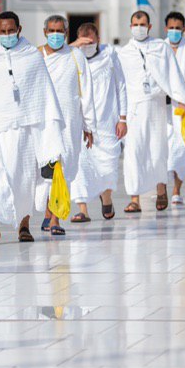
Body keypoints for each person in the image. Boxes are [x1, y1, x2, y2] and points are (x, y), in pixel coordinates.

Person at [0, 11, 65, 244]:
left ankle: (24, 226)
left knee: (23, 177)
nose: (8, 35)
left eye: (11, 31)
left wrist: (48, 129)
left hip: (25, 128)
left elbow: (43, 92)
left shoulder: (32, 55)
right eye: (3, 31)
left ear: (19, 30)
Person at [116, 10, 185, 212]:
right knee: (134, 153)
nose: (139, 28)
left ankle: (161, 190)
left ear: (150, 27)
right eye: (135, 24)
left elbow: (173, 75)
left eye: (142, 24)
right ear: (130, 26)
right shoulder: (124, 53)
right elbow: (121, 86)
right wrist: (121, 117)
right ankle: (135, 199)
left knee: (158, 150)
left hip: (157, 106)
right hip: (134, 109)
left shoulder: (161, 47)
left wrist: (182, 99)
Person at [35, 15, 93, 236]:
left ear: (67, 33)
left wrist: (89, 126)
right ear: (45, 32)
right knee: (46, 169)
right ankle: (49, 213)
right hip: (43, 122)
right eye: (51, 30)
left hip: (69, 122)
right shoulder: (36, 57)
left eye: (60, 31)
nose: (56, 35)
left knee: (62, 168)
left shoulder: (76, 56)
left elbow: (86, 93)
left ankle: (55, 217)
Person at [70, 22, 128, 222]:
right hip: (81, 124)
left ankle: (107, 198)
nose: (88, 46)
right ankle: (83, 209)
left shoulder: (109, 56)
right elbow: (53, 59)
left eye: (91, 42)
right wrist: (75, 46)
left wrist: (123, 118)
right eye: (83, 43)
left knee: (107, 165)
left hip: (107, 122)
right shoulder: (72, 58)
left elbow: (121, 86)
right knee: (81, 165)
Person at [164, 11, 185, 204]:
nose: (175, 31)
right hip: (162, 107)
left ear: (184, 29)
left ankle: (176, 190)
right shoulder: (159, 48)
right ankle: (162, 188)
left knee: (182, 149)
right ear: (165, 28)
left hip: (182, 108)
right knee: (163, 149)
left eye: (178, 28)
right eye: (171, 28)